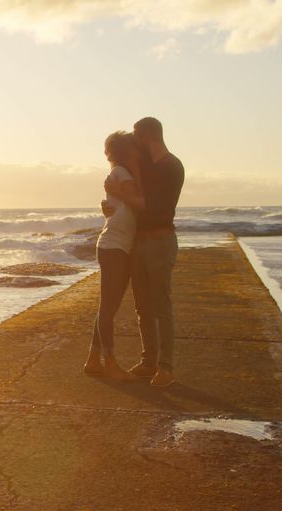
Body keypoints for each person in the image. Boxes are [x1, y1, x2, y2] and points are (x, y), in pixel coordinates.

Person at [103, 117, 184, 388]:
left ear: (148, 135)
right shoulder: (146, 166)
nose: (133, 141)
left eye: (136, 136)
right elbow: (130, 194)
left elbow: (151, 207)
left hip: (160, 241)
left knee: (161, 305)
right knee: (142, 307)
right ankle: (149, 361)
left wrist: (119, 195)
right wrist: (111, 203)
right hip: (139, 241)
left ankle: (166, 368)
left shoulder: (171, 166)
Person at [83, 131, 142, 380]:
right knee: (108, 308)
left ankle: (94, 359)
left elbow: (123, 207)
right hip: (114, 247)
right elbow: (138, 203)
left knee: (108, 307)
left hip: (115, 245)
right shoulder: (122, 174)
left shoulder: (117, 174)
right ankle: (110, 363)